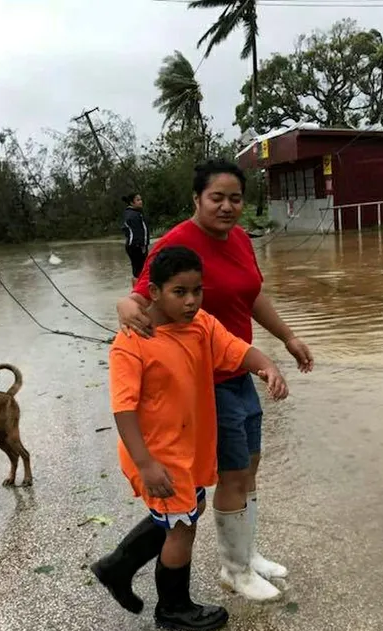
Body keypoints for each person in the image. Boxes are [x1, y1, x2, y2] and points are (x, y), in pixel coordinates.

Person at [115, 159, 314, 602]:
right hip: (206, 382)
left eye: (236, 198)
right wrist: (124, 304)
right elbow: (141, 295)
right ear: (196, 199)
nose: (227, 207)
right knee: (233, 472)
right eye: (216, 198)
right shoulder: (178, 242)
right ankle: (234, 570)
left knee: (252, 466)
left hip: (240, 369)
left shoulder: (240, 238)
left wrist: (287, 338)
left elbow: (253, 293)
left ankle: (248, 552)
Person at [93, 245, 289, 631]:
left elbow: (235, 348)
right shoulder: (132, 343)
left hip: (188, 450)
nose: (190, 301)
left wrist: (266, 366)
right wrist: (147, 464)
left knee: (182, 513)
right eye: (179, 292)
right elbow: (124, 409)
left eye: (196, 291)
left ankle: (117, 567)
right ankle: (173, 608)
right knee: (183, 528)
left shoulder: (201, 325)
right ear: (153, 292)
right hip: (156, 454)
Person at [122, 193, 150, 285]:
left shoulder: (133, 213)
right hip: (137, 246)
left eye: (141, 199)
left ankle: (137, 291)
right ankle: (139, 292)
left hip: (134, 245)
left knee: (138, 270)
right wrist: (141, 245)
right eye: (138, 200)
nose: (141, 202)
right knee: (140, 271)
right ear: (132, 203)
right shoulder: (134, 215)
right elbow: (137, 232)